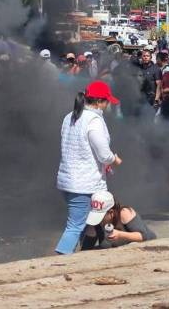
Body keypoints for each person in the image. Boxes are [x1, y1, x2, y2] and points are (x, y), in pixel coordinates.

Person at [55, 81, 123, 255]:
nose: (108, 105)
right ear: (100, 101)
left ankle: (87, 256)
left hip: (68, 180)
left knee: (90, 222)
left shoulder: (70, 116)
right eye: (107, 101)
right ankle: (59, 263)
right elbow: (103, 154)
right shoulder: (94, 120)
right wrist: (113, 159)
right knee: (75, 226)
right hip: (83, 184)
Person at [81, 191, 156, 250]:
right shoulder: (95, 223)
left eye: (101, 216)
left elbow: (143, 236)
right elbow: (85, 250)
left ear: (111, 212)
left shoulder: (124, 213)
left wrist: (120, 235)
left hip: (147, 246)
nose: (99, 220)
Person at [136, 49, 162, 118]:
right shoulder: (138, 68)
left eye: (147, 56)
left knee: (150, 119)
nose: (145, 57)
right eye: (144, 56)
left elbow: (159, 85)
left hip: (152, 99)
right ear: (141, 57)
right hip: (141, 98)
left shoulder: (156, 69)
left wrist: (156, 99)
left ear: (150, 57)